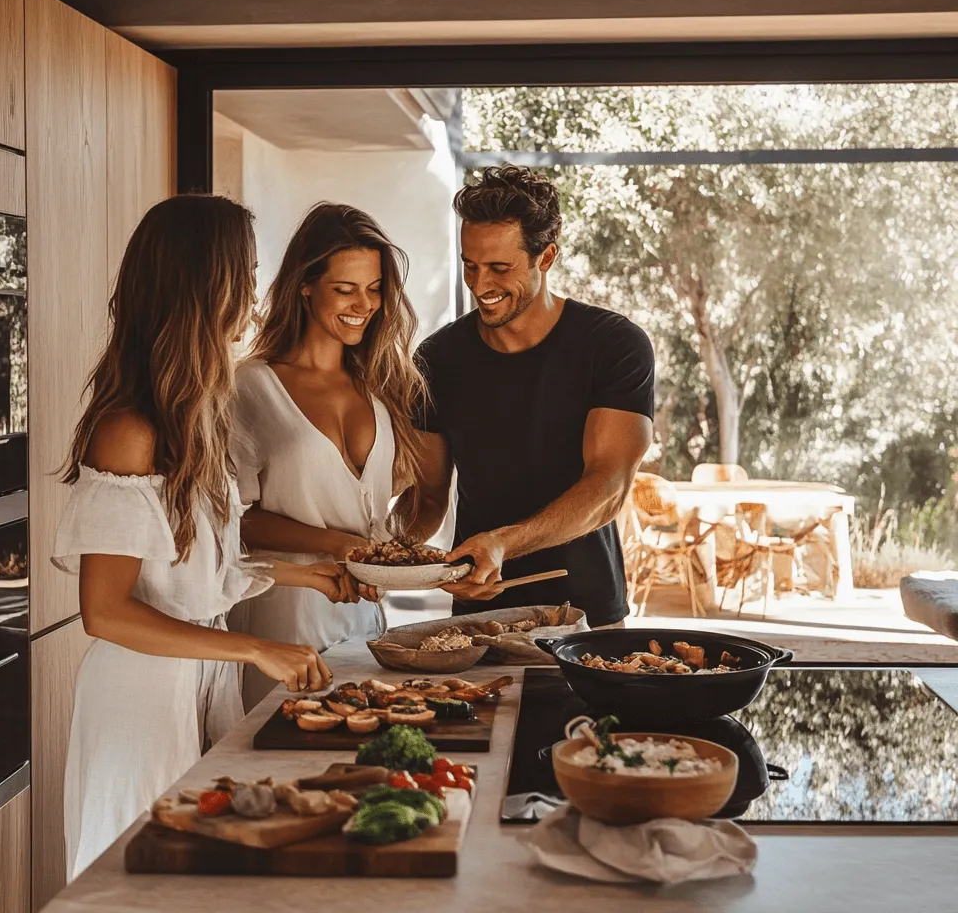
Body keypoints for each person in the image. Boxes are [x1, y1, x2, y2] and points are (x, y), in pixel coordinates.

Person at [51, 195, 354, 878]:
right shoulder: (129, 431)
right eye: (242, 274)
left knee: (204, 878)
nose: (253, 294)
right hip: (140, 699)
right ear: (200, 286)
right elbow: (107, 611)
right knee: (144, 880)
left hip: (198, 679)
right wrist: (254, 647)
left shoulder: (195, 416)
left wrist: (303, 573)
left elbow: (192, 569)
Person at [404, 166, 655, 627]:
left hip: (586, 614)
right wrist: (387, 554)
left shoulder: (614, 345)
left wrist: (503, 542)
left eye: (500, 268)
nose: (480, 286)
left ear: (547, 257)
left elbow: (608, 489)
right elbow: (427, 497)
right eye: (470, 265)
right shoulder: (436, 358)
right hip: (479, 616)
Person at [228, 203, 426, 710]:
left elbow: (379, 511)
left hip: (365, 622)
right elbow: (232, 521)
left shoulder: (383, 385)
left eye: (375, 288)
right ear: (305, 285)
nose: (365, 304)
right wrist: (337, 544)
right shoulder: (251, 386)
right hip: (281, 617)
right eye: (345, 289)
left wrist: (412, 562)